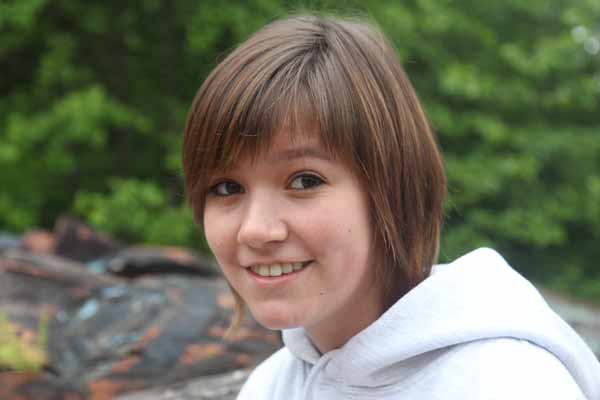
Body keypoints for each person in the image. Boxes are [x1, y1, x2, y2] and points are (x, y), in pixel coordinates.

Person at [182, 14, 600, 400]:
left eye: (305, 181)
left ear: (391, 189)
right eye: (226, 187)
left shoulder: (505, 383)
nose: (255, 230)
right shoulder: (271, 386)